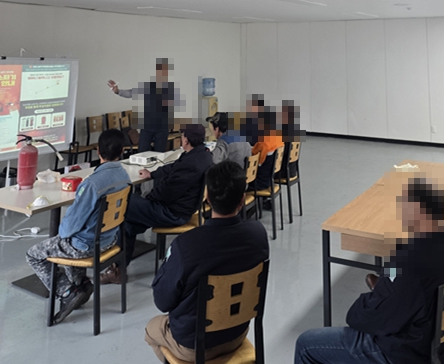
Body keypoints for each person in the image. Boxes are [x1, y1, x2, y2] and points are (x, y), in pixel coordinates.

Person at [294, 177, 444, 364]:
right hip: (435, 345)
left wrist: (363, 305)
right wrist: (387, 280)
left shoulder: (412, 262)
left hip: (404, 352)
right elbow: (395, 277)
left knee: (306, 344)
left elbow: (377, 319)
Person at [145, 160, 269, 362]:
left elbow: (162, 301)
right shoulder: (258, 234)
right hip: (237, 333)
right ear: (242, 199)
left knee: (151, 329)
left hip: (194, 345)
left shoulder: (187, 245)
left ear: (207, 197)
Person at [26, 129, 130, 324]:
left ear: (98, 151)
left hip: (87, 246)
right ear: (122, 151)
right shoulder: (125, 176)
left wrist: (62, 234)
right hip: (110, 240)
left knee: (34, 254)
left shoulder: (91, 184)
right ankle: (81, 283)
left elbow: (69, 228)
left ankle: (67, 291)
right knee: (69, 242)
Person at [100, 124, 212, 284]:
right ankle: (118, 268)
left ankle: (116, 267)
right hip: (181, 208)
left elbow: (167, 191)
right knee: (129, 218)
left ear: (186, 140)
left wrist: (148, 199)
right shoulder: (201, 155)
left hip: (173, 213)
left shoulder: (191, 163)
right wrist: (152, 174)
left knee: (125, 202)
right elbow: (173, 167)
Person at [107, 58, 182, 153]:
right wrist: (117, 91)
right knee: (142, 152)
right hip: (147, 126)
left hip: (162, 127)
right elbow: (130, 93)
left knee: (159, 153)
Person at [252, 109, 284, 191]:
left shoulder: (263, 143)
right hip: (270, 179)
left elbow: (256, 163)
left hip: (259, 183)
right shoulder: (278, 137)